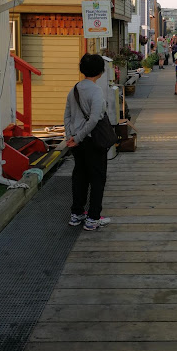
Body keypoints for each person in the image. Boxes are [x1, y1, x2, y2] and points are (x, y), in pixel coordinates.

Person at [64, 53, 110, 232]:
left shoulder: (74, 89)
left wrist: (71, 137)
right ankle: (93, 218)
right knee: (97, 179)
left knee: (80, 177)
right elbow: (94, 119)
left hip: (76, 142)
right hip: (92, 141)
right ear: (100, 71)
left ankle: (76, 214)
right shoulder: (96, 91)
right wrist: (79, 137)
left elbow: (67, 115)